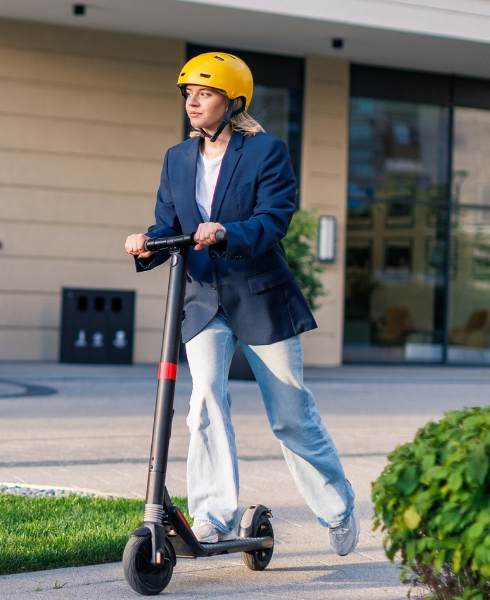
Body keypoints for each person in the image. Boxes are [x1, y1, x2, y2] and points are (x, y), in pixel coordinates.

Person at [124, 52, 358, 556]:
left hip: (259, 296)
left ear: (232, 102)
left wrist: (228, 231)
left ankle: (336, 510)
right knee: (204, 403)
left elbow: (275, 219)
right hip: (202, 298)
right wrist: (148, 240)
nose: (193, 102)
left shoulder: (265, 152)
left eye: (204, 94)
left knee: (290, 411)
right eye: (188, 93)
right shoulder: (177, 158)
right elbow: (171, 225)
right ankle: (212, 517)